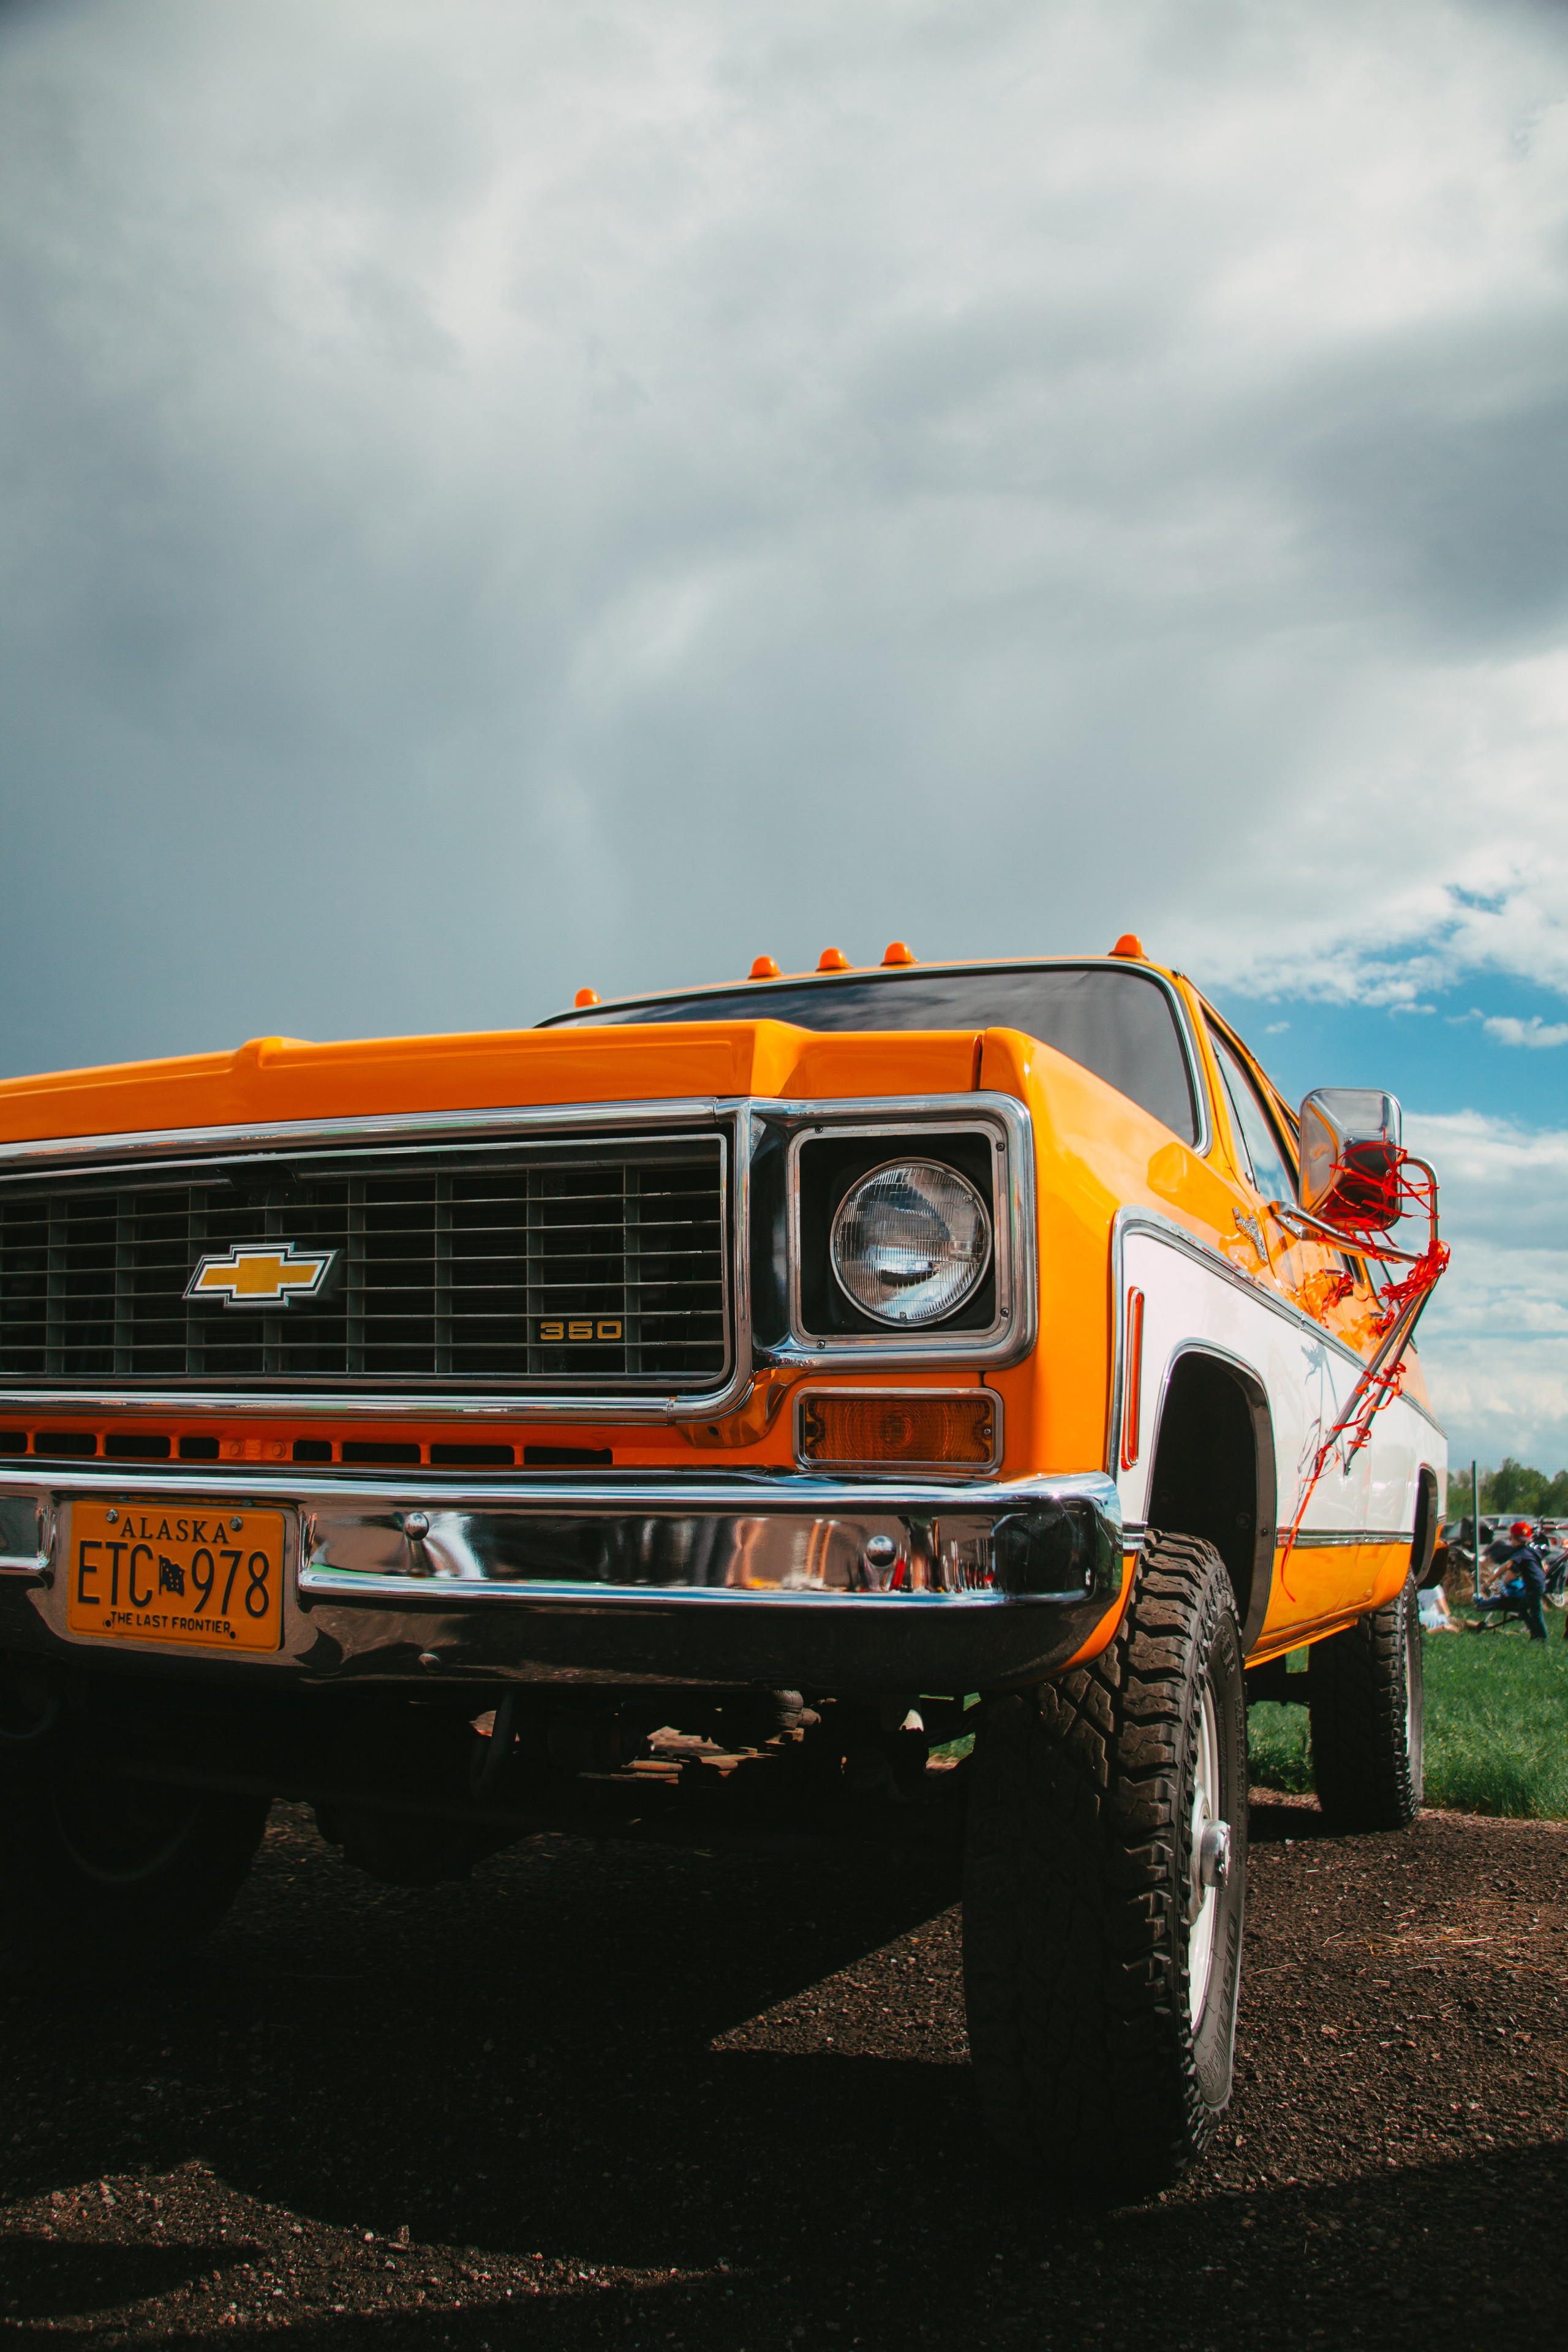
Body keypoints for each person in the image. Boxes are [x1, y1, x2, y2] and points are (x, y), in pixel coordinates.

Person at [1464, 1520, 1548, 1642]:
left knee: (1536, 1613)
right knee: (1522, 1608)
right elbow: (1543, 1565)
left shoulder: (1519, 1552)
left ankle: (1542, 1638)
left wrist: (1490, 1581)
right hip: (1536, 1585)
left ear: (1513, 1538)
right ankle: (1534, 1633)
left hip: (1533, 1587)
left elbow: (1507, 1566)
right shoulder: (1531, 1550)